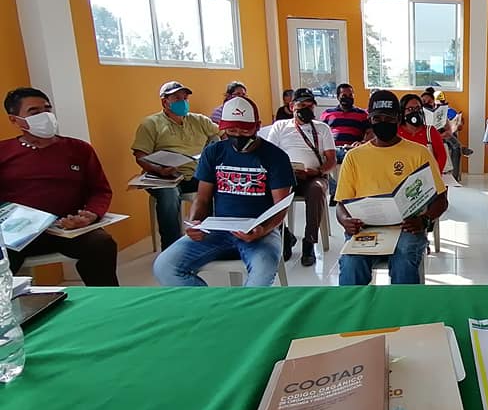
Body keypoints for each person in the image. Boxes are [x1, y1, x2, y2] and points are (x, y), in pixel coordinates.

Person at [153, 96, 295, 287]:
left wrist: (263, 229)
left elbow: (281, 207)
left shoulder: (275, 157)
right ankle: (213, 304)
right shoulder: (214, 152)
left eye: (244, 130)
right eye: (232, 131)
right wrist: (195, 222)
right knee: (164, 266)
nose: (238, 136)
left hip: (261, 232)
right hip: (217, 230)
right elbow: (202, 199)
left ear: (257, 126)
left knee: (261, 277)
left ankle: (244, 307)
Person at [1, 87, 118, 286]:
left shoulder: (79, 149)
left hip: (67, 229)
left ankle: (107, 300)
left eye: (47, 109)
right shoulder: (4, 152)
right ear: (15, 120)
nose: (45, 116)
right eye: (34, 112)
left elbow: (100, 190)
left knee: (101, 244)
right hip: (17, 233)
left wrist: (91, 214)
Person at [335, 90, 448, 285]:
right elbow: (341, 203)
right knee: (351, 264)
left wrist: (425, 220)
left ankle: (402, 306)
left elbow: (441, 199)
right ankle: (355, 305)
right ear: (370, 120)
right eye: (377, 118)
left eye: (388, 118)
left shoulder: (419, 153)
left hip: (407, 229)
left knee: (404, 260)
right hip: (365, 230)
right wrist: (345, 220)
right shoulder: (354, 157)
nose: (382, 123)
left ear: (398, 118)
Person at [131, 81, 222, 251]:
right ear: (165, 102)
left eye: (185, 98)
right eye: (177, 98)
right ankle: (172, 248)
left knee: (217, 186)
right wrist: (159, 169)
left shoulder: (199, 120)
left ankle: (209, 238)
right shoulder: (151, 124)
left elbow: (223, 134)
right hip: (164, 176)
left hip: (195, 173)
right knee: (169, 195)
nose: (183, 102)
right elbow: (140, 156)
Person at [266, 88, 336, 267]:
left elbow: (331, 161)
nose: (306, 109)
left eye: (310, 106)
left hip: (314, 176)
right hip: (285, 176)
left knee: (317, 190)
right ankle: (285, 237)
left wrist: (316, 171)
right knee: (266, 192)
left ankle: (309, 242)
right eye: (302, 105)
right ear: (291, 106)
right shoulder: (280, 127)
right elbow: (269, 156)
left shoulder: (322, 128)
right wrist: (285, 170)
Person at [320, 83, 373, 200]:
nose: (348, 98)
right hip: (331, 148)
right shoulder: (328, 113)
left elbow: (370, 132)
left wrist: (362, 142)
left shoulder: (362, 114)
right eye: (344, 95)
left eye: (350, 95)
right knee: (324, 159)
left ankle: (348, 192)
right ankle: (335, 193)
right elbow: (320, 132)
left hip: (352, 149)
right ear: (338, 97)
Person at [399, 94, 447, 173]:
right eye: (410, 109)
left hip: (427, 176)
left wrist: (435, 175)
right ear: (402, 112)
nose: (415, 112)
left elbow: (442, 156)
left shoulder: (430, 131)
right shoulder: (397, 132)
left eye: (418, 108)